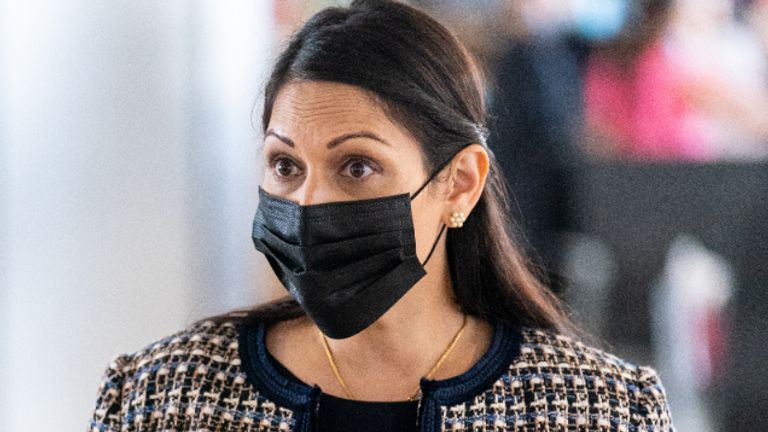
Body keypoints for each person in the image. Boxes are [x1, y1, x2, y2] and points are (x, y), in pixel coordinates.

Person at [87, 1, 675, 431]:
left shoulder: (599, 411)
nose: (308, 204)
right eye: (285, 166)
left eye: (357, 167)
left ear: (459, 184)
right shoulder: (159, 397)